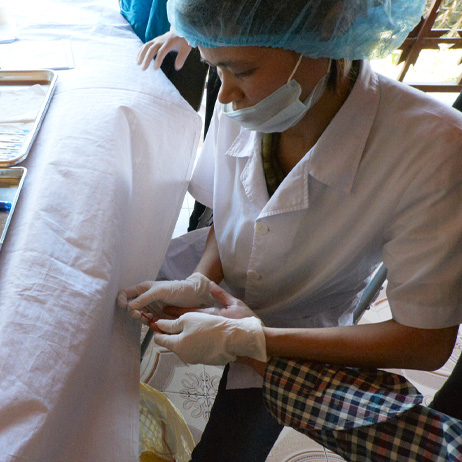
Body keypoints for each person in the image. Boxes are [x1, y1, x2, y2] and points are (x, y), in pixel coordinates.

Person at [119, 0, 462, 460]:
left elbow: (425, 340)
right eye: (215, 68)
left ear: (325, 41)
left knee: (233, 444)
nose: (224, 95)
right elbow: (232, 205)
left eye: (241, 70)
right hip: (229, 304)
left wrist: (255, 339)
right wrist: (204, 277)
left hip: (310, 341)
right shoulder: (250, 99)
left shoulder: (433, 147)